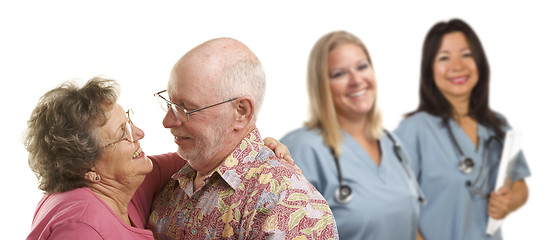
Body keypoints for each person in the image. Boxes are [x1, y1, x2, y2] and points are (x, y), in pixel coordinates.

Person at [25, 77, 293, 239]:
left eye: (129, 121)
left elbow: (204, 155)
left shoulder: (128, 183)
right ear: (87, 166)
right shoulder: (81, 227)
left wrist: (256, 147)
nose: (139, 133)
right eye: (123, 133)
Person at [147, 37, 339, 239]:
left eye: (186, 108)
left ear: (241, 112)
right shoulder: (172, 184)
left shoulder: (286, 201)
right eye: (169, 103)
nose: (167, 122)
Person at [394, 19, 530, 240]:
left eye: (466, 55)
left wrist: (509, 201)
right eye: (444, 58)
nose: (457, 66)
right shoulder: (414, 130)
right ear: (430, 69)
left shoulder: (498, 126)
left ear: (480, 62)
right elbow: (396, 207)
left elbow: (520, 186)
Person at [280, 30, 424, 240]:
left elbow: (410, 227)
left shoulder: (393, 144)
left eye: (362, 67)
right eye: (340, 74)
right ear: (322, 86)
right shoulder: (301, 149)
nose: (356, 80)